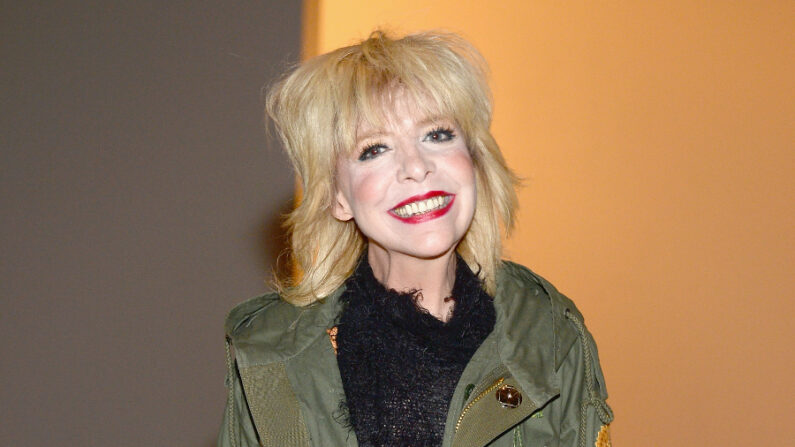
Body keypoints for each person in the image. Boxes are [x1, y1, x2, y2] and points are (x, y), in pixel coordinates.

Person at [217, 30, 613, 447]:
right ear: (337, 196)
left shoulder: (550, 336)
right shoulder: (268, 356)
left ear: (474, 161)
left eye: (437, 134)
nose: (416, 166)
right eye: (374, 149)